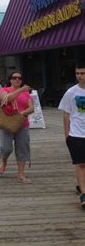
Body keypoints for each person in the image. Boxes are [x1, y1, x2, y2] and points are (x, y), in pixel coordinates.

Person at [0, 71, 34, 183]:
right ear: (10, 79)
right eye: (14, 78)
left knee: (22, 147)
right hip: (6, 123)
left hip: (22, 124)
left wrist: (22, 113)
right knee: (6, 148)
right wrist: (21, 90)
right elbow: (6, 99)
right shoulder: (4, 90)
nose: (17, 80)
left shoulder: (26, 94)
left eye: (20, 78)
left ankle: (21, 175)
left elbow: (31, 108)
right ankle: (4, 161)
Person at [58, 62, 85, 208]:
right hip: (77, 133)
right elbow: (66, 114)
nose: (80, 76)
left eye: (83, 73)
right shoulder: (71, 92)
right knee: (81, 164)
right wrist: (67, 134)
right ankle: (83, 193)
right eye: (77, 73)